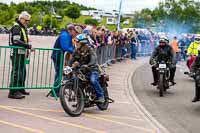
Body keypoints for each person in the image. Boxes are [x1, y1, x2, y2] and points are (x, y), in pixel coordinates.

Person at [70, 34, 105, 103]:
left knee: (93, 80)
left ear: (82, 43)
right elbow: (71, 60)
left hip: (92, 69)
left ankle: (101, 96)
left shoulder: (89, 49)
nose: (76, 43)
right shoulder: (76, 51)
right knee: (73, 80)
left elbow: (94, 58)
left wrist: (88, 65)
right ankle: (82, 98)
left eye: (77, 42)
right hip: (82, 71)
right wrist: (68, 67)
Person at [50, 24, 82, 97]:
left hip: (59, 55)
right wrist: (75, 51)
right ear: (71, 30)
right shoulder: (65, 35)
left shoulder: (67, 35)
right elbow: (65, 47)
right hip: (57, 55)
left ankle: (56, 89)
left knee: (59, 73)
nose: (76, 34)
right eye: (75, 32)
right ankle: (55, 91)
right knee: (59, 73)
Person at [9, 11, 32, 99]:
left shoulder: (22, 27)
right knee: (16, 72)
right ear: (21, 18)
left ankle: (20, 88)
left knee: (22, 71)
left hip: (21, 53)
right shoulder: (16, 27)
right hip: (16, 53)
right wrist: (28, 46)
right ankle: (13, 92)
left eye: (28, 21)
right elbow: (16, 41)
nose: (27, 22)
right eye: (26, 20)